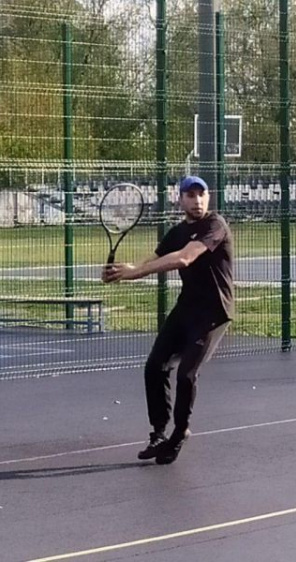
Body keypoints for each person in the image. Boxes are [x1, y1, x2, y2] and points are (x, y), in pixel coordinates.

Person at [101, 175, 234, 464]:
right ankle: (159, 433)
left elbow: (184, 258)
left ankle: (180, 432)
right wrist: (119, 272)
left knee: (186, 374)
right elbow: (152, 259)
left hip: (213, 311)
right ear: (180, 199)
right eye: (190, 195)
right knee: (154, 366)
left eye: (201, 194)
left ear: (208, 197)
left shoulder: (215, 225)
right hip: (187, 307)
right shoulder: (176, 232)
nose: (197, 200)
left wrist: (134, 272)